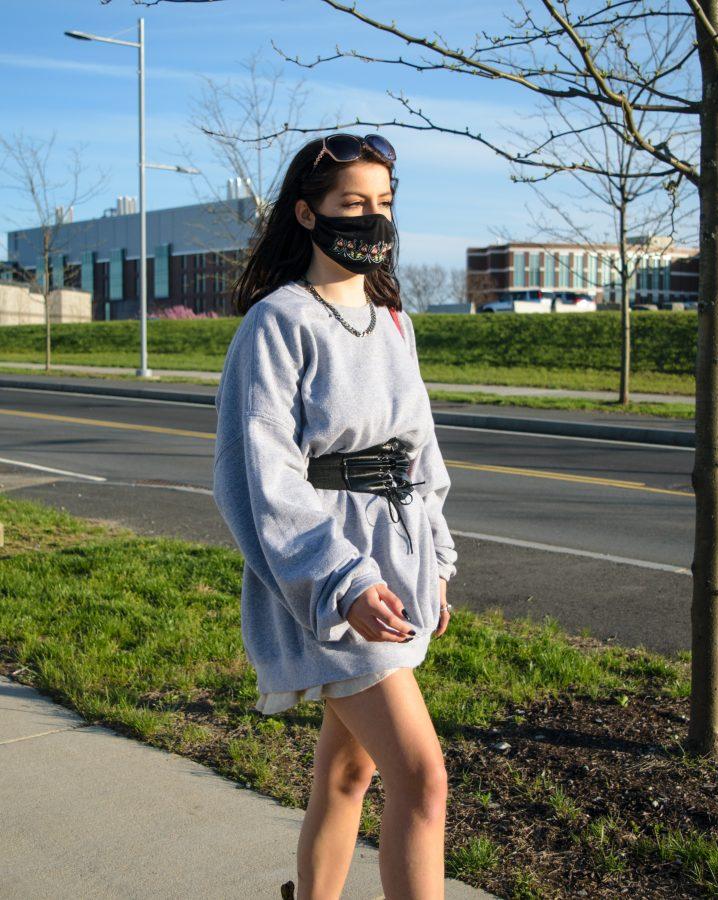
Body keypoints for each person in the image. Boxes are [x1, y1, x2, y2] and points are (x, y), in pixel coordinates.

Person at [212, 132, 458, 900]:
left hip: (397, 570)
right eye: (353, 205)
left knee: (349, 770)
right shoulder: (278, 323)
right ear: (308, 214)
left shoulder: (392, 319)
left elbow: (422, 454)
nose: (373, 220)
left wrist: (438, 562)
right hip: (326, 581)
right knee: (423, 779)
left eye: (383, 204)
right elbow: (263, 476)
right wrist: (341, 580)